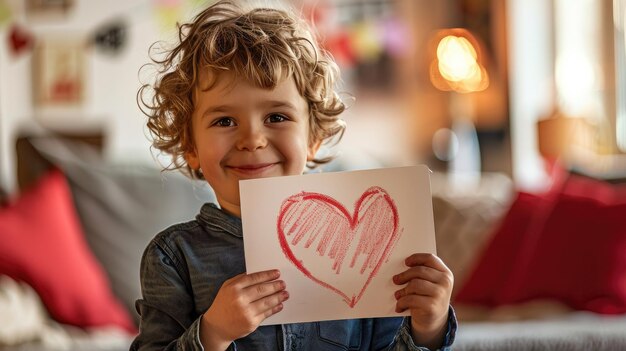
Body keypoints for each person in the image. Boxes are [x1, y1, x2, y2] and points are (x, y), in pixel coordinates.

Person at [131, 1, 456, 350]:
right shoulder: (172, 257)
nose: (252, 139)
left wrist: (429, 327)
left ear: (313, 137)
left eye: (276, 117)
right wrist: (213, 333)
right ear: (190, 145)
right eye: (224, 121)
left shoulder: (369, 248)